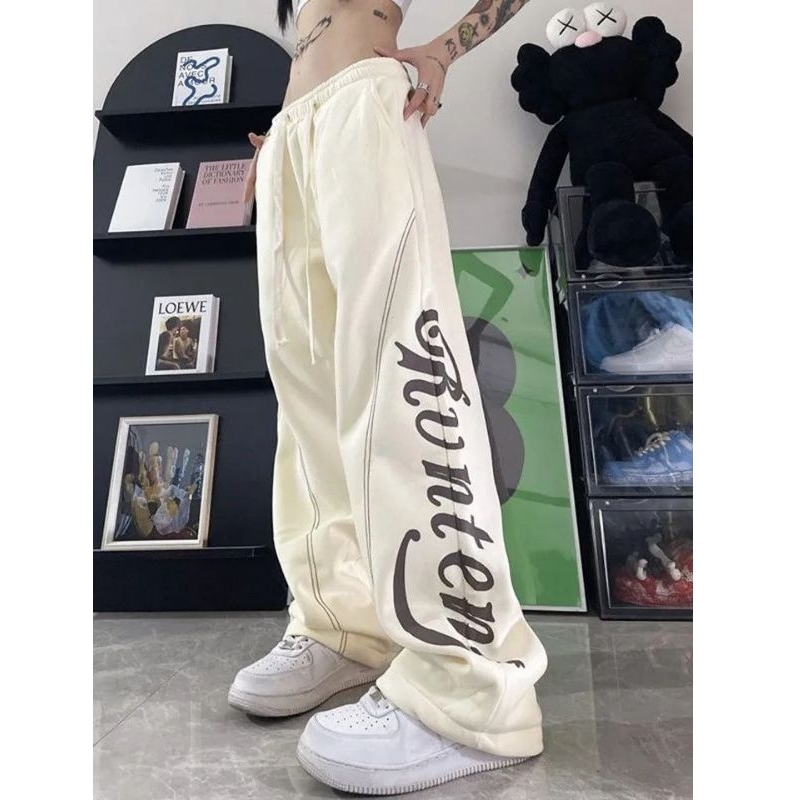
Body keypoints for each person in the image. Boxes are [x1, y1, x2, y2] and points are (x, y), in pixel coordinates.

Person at [229, 1, 548, 794]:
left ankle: (473, 688)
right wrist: (286, 133)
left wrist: (444, 49)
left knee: (407, 381)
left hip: (365, 107)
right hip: (292, 133)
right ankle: (345, 628)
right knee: (310, 406)